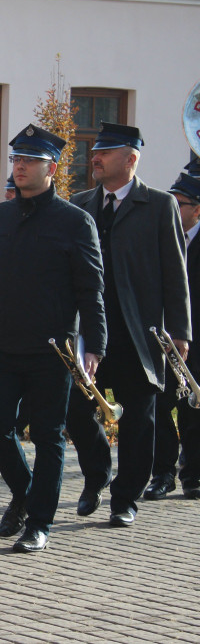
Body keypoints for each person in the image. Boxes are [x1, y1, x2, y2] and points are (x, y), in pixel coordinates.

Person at [0, 124, 105, 552]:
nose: (19, 166)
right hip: (2, 345)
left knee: (48, 435)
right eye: (16, 159)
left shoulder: (75, 222)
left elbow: (91, 291)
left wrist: (94, 347)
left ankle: (39, 524)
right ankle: (26, 494)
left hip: (54, 351)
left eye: (28, 160)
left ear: (52, 168)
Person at [66, 122, 190, 527]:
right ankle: (97, 473)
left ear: (131, 159)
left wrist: (180, 331)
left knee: (140, 418)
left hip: (139, 334)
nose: (94, 159)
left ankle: (125, 498)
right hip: (89, 331)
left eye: (105, 152)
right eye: (94, 152)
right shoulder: (80, 203)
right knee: (78, 410)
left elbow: (176, 273)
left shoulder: (158, 205)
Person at [146, 170, 200, 501]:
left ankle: (193, 474)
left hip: (196, 342)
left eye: (178, 204)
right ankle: (162, 473)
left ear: (198, 209)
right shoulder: (160, 238)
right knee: (159, 408)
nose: (172, 209)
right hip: (160, 340)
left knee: (193, 410)